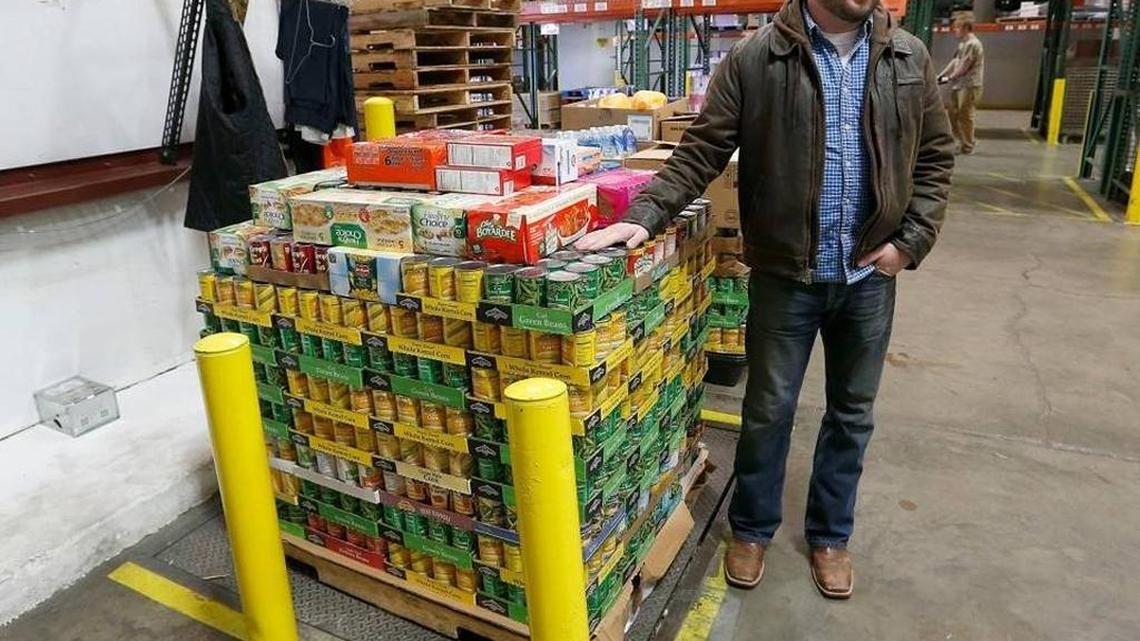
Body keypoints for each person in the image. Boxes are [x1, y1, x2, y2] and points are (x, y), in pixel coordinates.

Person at [576, 0, 954, 599]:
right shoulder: (758, 58)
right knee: (768, 410)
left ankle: (831, 536)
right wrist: (644, 216)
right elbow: (701, 151)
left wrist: (909, 243)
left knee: (852, 414)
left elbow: (935, 157)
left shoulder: (905, 56)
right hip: (785, 275)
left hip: (868, 279)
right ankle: (751, 528)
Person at [938, 14, 985, 154]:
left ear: (966, 28)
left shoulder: (973, 44)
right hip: (959, 85)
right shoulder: (963, 44)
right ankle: (960, 141)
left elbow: (965, 65)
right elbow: (955, 62)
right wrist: (941, 75)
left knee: (965, 115)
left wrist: (950, 78)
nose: (955, 30)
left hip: (969, 85)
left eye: (957, 27)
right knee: (953, 113)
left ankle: (968, 145)